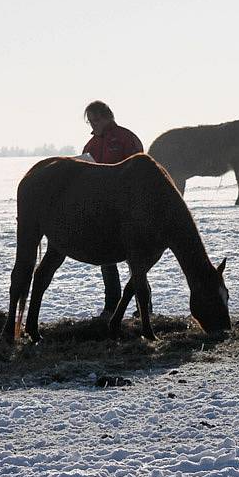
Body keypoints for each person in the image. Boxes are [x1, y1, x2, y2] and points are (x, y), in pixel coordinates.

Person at [82, 100, 144, 318]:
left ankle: (143, 308)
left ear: (108, 116)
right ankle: (111, 306)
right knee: (106, 260)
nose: (93, 125)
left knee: (135, 260)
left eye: (96, 120)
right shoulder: (90, 146)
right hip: (102, 211)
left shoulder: (127, 138)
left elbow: (140, 170)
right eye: (90, 121)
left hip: (127, 209)